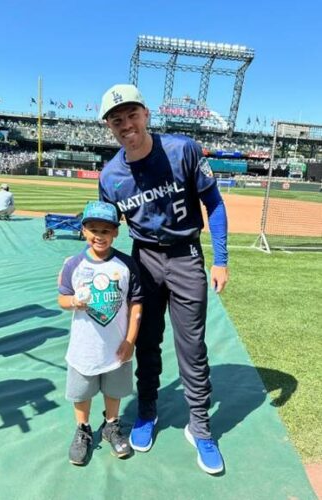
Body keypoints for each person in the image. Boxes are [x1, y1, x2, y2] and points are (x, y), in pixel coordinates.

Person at [98, 84, 229, 474]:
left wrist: (220, 261)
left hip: (186, 256)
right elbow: (105, 228)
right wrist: (90, 265)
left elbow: (214, 203)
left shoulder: (182, 149)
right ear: (109, 127)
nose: (126, 125)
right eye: (117, 120)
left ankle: (200, 426)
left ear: (146, 114)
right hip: (144, 262)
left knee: (192, 346)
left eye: (132, 115)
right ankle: (148, 411)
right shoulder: (110, 175)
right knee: (147, 341)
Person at [58, 200, 143, 465]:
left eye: (106, 230)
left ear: (116, 232)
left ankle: (111, 425)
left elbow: (136, 304)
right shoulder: (74, 264)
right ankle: (83, 430)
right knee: (82, 392)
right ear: (84, 231)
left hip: (117, 345)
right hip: (84, 347)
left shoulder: (126, 264)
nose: (99, 235)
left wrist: (130, 340)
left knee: (114, 389)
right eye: (93, 229)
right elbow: (62, 298)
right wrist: (74, 302)